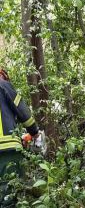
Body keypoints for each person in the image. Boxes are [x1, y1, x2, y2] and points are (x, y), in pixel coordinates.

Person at [0, 68, 39, 206]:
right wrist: (34, 132)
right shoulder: (3, 85)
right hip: (6, 151)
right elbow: (23, 112)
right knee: (8, 194)